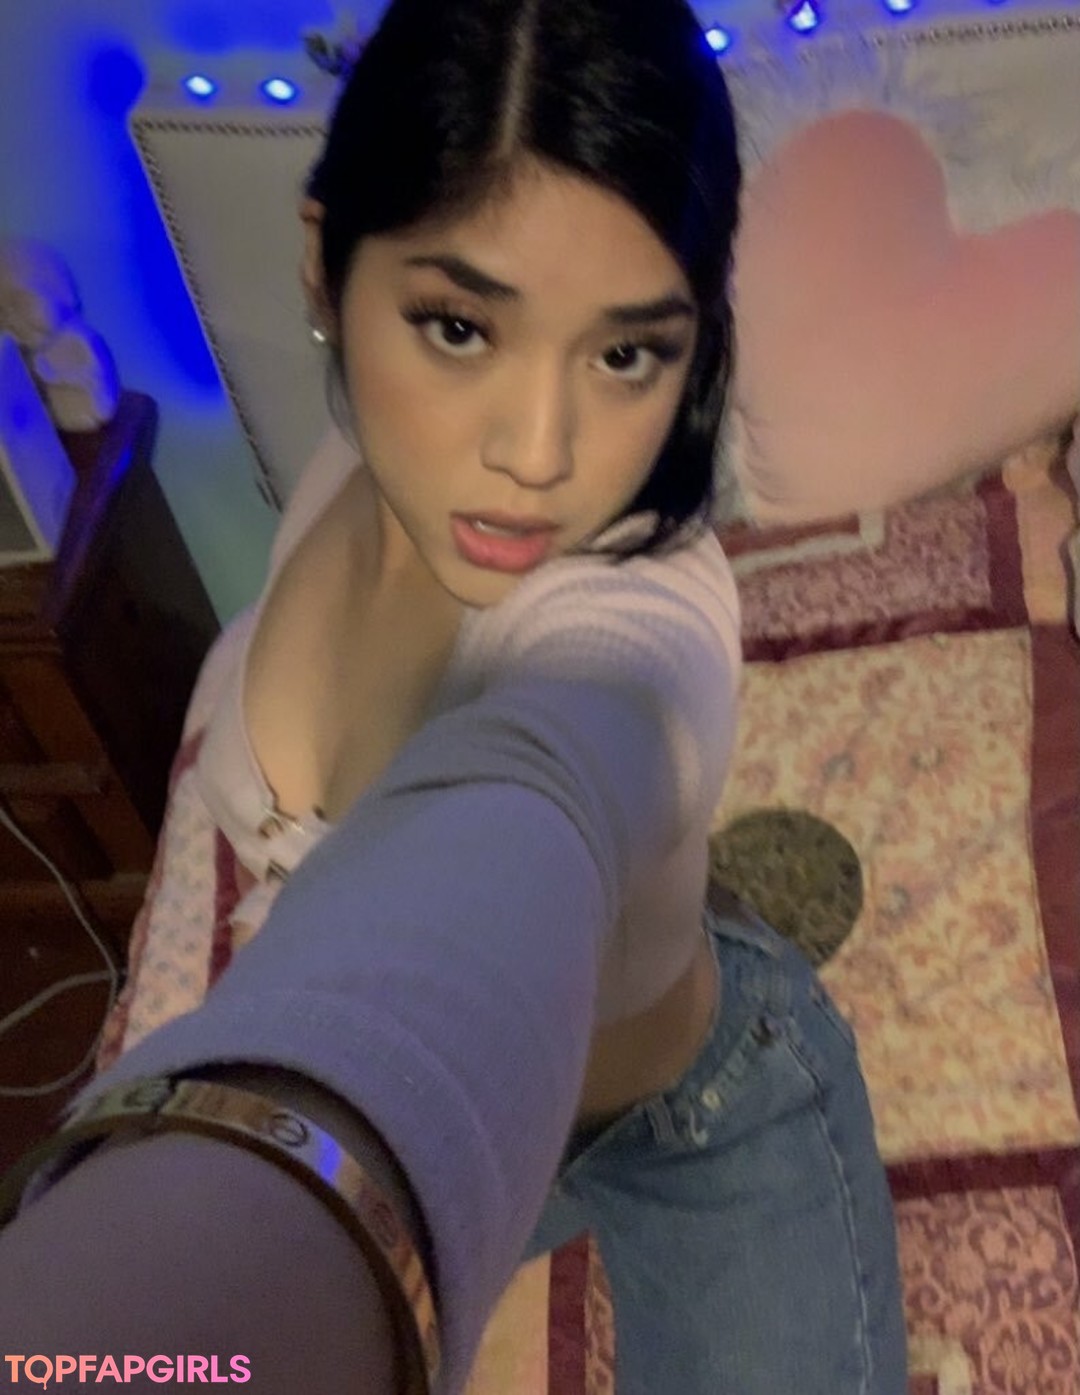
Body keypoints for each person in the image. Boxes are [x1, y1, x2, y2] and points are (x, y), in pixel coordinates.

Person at [0, 1, 909, 1391]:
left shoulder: (639, 627)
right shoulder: (349, 472)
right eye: (458, 327)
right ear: (325, 268)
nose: (537, 456)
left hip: (693, 1115)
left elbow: (535, 801)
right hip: (507, 1131)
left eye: (626, 355)